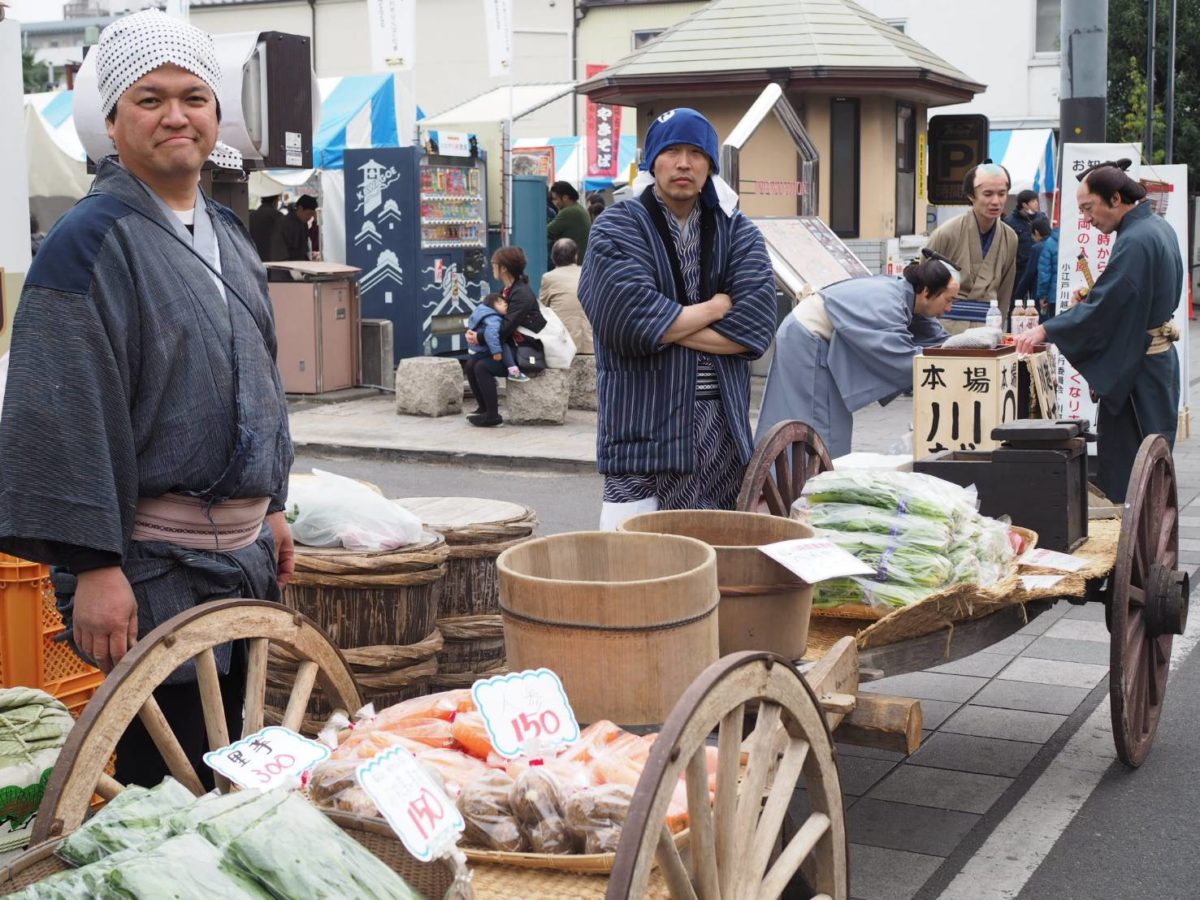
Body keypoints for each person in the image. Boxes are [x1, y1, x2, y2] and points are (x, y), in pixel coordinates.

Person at [0, 10, 294, 788]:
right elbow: (61, 409)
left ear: (217, 113)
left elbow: (258, 373)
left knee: (239, 767)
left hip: (242, 562)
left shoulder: (228, 232)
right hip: (150, 568)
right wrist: (95, 565)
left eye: (194, 97)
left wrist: (271, 505)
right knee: (164, 782)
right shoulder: (89, 240)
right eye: (150, 98)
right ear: (113, 120)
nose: (175, 116)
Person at [578, 107, 776, 528]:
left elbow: (755, 328)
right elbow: (624, 321)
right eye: (671, 151)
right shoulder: (615, 227)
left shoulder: (738, 231)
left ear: (709, 165)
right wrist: (716, 308)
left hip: (720, 426)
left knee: (718, 563)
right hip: (640, 426)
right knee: (633, 568)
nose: (683, 163)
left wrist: (665, 325)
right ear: (651, 162)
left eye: (695, 152)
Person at [1015, 160, 1183, 502]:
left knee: (1130, 460)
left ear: (1116, 199)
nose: (1087, 219)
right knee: (1152, 456)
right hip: (1155, 360)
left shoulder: (1136, 240)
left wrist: (1048, 329)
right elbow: (1124, 297)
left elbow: (1109, 307)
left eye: (1089, 208)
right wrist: (1093, 298)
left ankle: (1128, 526)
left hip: (1140, 369)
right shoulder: (1156, 228)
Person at [756, 251, 959, 457]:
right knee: (819, 422)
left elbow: (935, 337)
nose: (950, 308)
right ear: (926, 292)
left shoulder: (903, 295)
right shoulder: (888, 301)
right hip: (808, 339)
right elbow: (898, 356)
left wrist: (964, 347)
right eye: (949, 300)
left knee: (826, 421)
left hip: (812, 336)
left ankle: (804, 477)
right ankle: (808, 481)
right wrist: (944, 363)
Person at [926, 162, 1017, 324]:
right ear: (971, 195)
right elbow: (924, 288)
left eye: (1002, 194)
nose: (996, 201)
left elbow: (1005, 292)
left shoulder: (1010, 237)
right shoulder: (946, 233)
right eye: (988, 194)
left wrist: (999, 330)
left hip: (988, 328)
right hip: (946, 329)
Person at [464, 247, 545, 427]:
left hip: (524, 350)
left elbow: (506, 327)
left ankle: (492, 415)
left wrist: (479, 337)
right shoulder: (508, 290)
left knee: (482, 367)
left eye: (494, 264)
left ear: (504, 268)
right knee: (471, 364)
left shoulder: (521, 293)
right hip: (510, 345)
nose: (491, 267)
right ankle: (484, 408)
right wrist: (474, 332)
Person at [538, 238, 593, 354]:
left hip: (564, 343)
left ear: (553, 257)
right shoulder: (588, 273)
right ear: (576, 256)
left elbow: (542, 309)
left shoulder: (549, 278)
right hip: (590, 342)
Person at [465, 293, 527, 383]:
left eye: (505, 302)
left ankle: (492, 379)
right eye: (500, 303)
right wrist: (496, 352)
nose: (505, 304)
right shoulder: (493, 318)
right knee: (503, 345)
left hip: (475, 348)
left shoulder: (481, 313)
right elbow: (491, 335)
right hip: (482, 349)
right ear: (491, 306)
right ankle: (514, 371)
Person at [1004, 189, 1048, 298]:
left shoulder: (1041, 218)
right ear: (1024, 204)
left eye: (1036, 201)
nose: (1037, 203)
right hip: (1019, 268)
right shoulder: (1009, 221)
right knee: (1017, 299)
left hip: (1039, 267)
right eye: (1033, 201)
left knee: (1037, 300)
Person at [547, 181, 591, 263]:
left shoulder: (569, 212)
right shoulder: (579, 208)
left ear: (565, 197)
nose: (554, 203)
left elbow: (547, 232)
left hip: (572, 263)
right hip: (581, 262)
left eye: (556, 199)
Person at [1013, 216, 1052, 302]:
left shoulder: (1037, 248)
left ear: (1036, 232)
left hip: (1039, 293)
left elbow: (1029, 273)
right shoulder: (1057, 245)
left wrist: (1018, 296)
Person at [271, 193, 317, 261]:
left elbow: (303, 250)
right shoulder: (285, 223)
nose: (310, 217)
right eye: (309, 214)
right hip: (285, 266)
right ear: (300, 208)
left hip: (298, 265)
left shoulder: (303, 223)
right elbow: (280, 253)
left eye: (312, 215)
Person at [1035, 223, 1060, 321]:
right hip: (1079, 295)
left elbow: (1044, 274)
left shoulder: (1050, 243)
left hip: (1055, 296)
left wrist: (1042, 296)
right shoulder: (1082, 240)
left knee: (1056, 328)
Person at [249, 193, 282, 261]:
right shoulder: (277, 215)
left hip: (254, 255)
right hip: (271, 258)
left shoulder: (252, 215)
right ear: (275, 201)